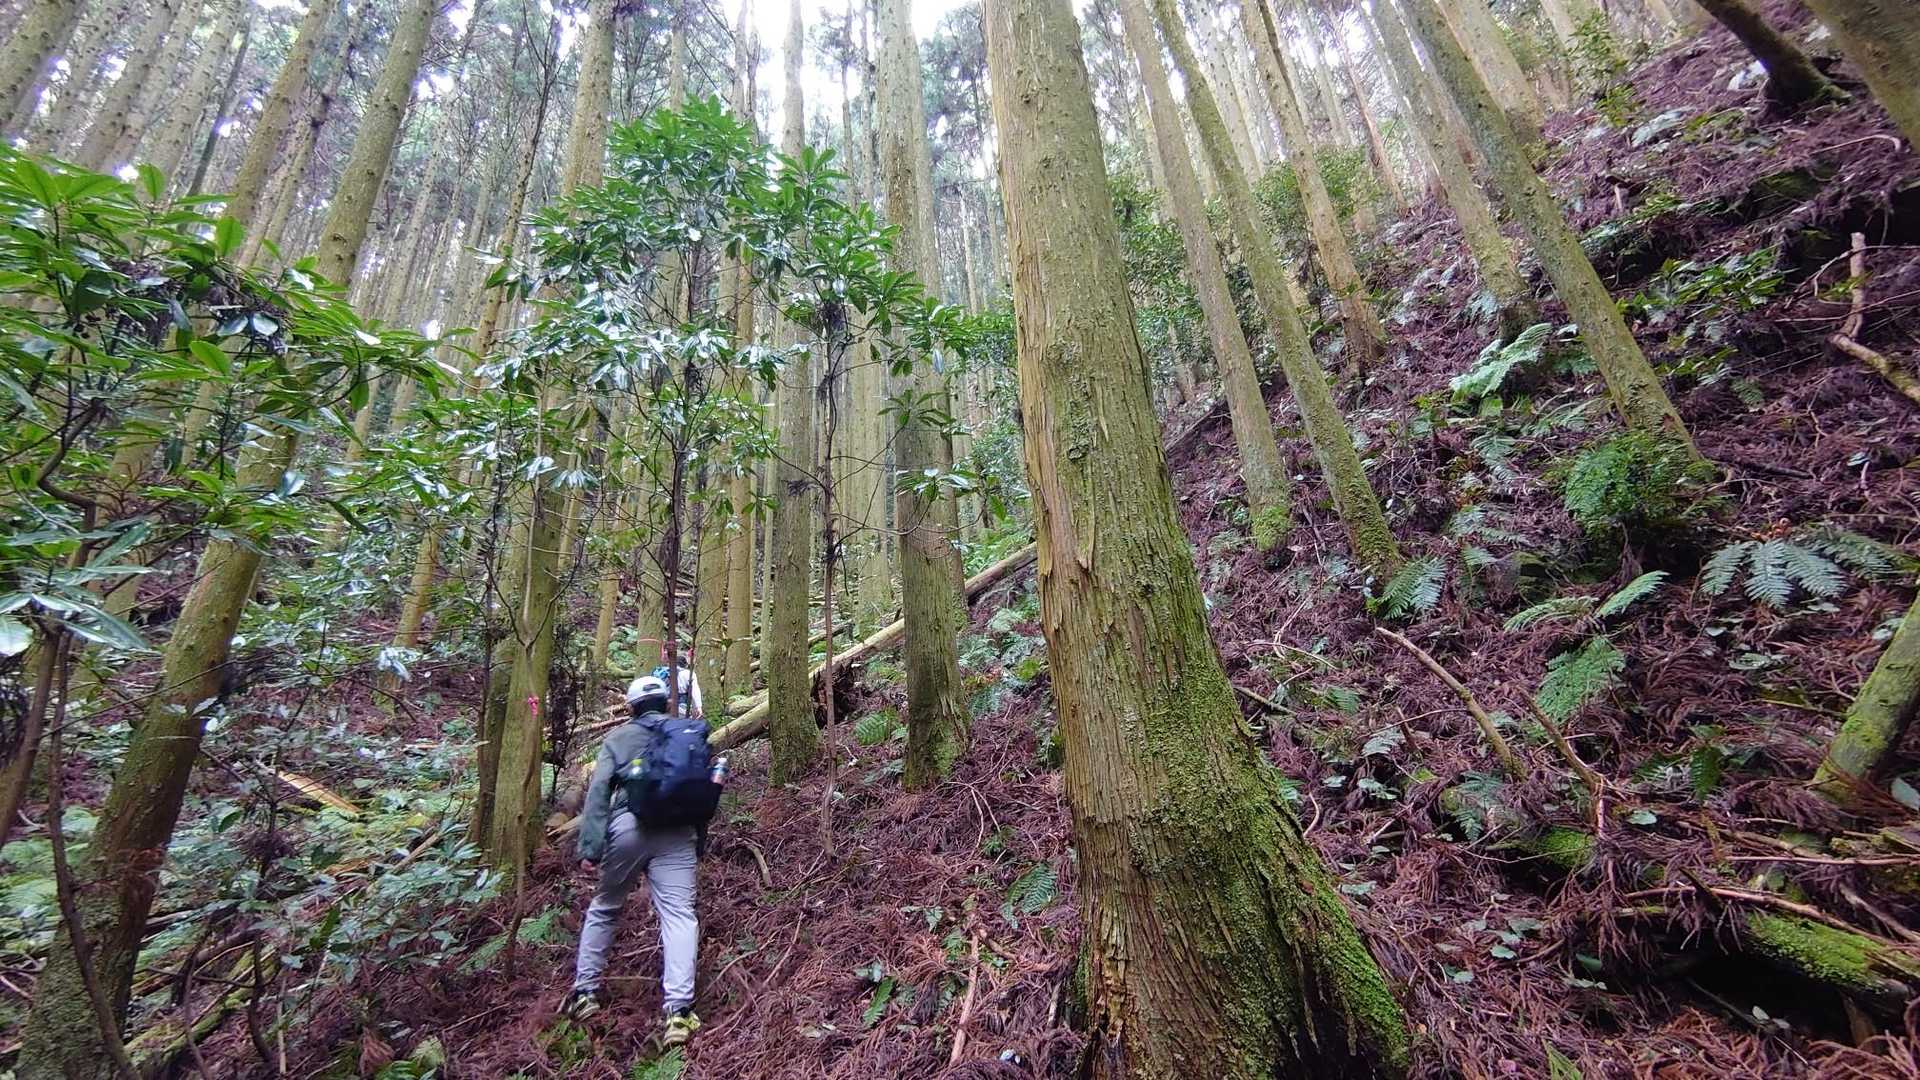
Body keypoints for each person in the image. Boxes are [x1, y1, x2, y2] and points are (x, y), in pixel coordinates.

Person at [563, 674, 717, 1046]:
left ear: (630, 708)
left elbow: (599, 794)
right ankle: (678, 1012)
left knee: (605, 907)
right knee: (679, 916)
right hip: (678, 832)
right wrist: (698, 842)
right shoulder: (686, 733)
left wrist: (590, 849)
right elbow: (700, 790)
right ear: (667, 702)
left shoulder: (618, 738)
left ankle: (585, 993)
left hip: (628, 827)